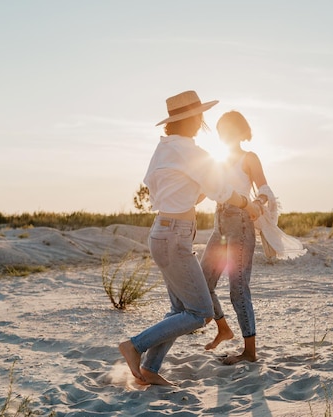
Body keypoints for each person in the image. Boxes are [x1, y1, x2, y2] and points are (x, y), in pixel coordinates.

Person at [118, 91, 261, 386]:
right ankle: (135, 346)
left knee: (179, 309)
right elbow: (221, 191)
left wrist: (189, 192)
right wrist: (249, 204)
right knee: (200, 314)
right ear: (193, 119)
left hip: (160, 231)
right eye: (199, 116)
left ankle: (150, 369)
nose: (202, 121)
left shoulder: (164, 149)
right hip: (175, 236)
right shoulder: (193, 153)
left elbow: (163, 188)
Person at [199, 110, 267, 365]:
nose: (223, 135)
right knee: (204, 284)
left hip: (240, 223)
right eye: (220, 131)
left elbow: (265, 189)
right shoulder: (216, 161)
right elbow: (207, 190)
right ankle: (223, 329)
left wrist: (257, 203)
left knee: (238, 289)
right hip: (219, 224)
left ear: (240, 131)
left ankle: (249, 352)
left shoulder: (249, 158)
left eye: (227, 130)